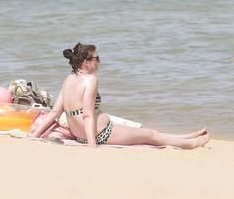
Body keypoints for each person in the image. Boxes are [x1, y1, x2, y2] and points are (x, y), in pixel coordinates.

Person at [30, 43, 210, 149]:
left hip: (81, 134)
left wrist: (35, 135)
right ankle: (191, 144)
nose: (99, 61)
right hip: (100, 133)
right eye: (96, 58)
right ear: (86, 62)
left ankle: (186, 136)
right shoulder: (90, 80)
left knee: (150, 133)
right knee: (150, 135)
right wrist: (92, 144)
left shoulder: (68, 79)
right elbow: (87, 114)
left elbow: (54, 112)